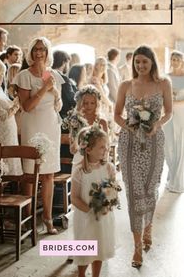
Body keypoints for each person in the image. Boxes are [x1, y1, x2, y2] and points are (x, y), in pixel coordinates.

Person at [114, 45, 172, 268]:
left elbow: (169, 112)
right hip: (129, 143)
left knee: (150, 188)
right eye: (137, 62)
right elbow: (117, 114)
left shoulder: (163, 83)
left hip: (155, 142)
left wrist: (157, 124)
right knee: (133, 191)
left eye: (144, 62)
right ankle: (137, 247)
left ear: (152, 63)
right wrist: (128, 127)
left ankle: (148, 226)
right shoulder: (126, 86)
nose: (140, 65)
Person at [14, 37, 64, 234]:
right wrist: (44, 88)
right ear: (31, 52)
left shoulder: (52, 74)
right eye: (35, 49)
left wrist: (55, 94)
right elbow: (26, 107)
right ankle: (28, 219)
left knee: (49, 174)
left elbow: (58, 105)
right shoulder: (24, 76)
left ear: (47, 52)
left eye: (42, 49)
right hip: (33, 126)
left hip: (51, 126)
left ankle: (48, 219)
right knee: (30, 173)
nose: (39, 53)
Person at [71, 125, 116, 277]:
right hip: (85, 217)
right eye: (102, 147)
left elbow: (112, 191)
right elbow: (75, 198)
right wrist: (91, 209)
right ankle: (82, 274)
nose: (106, 150)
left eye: (106, 146)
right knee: (85, 249)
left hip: (103, 217)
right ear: (88, 150)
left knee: (99, 248)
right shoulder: (80, 171)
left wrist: (107, 205)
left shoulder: (108, 168)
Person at [67, 85, 108, 167]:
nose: (89, 106)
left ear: (97, 104)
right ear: (80, 104)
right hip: (80, 159)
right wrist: (78, 142)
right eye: (86, 103)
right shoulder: (76, 122)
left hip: (98, 160)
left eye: (92, 103)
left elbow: (107, 147)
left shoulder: (102, 122)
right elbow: (72, 150)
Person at [164, 50, 184, 193]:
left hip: (181, 112)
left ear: (182, 61)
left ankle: (178, 179)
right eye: (173, 59)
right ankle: (172, 174)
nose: (175, 61)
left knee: (180, 144)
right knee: (168, 145)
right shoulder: (166, 77)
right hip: (167, 113)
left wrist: (176, 101)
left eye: (177, 59)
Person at [52, 50, 76, 119]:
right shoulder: (64, 78)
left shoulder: (47, 75)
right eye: (68, 63)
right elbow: (71, 99)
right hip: (62, 115)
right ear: (64, 62)